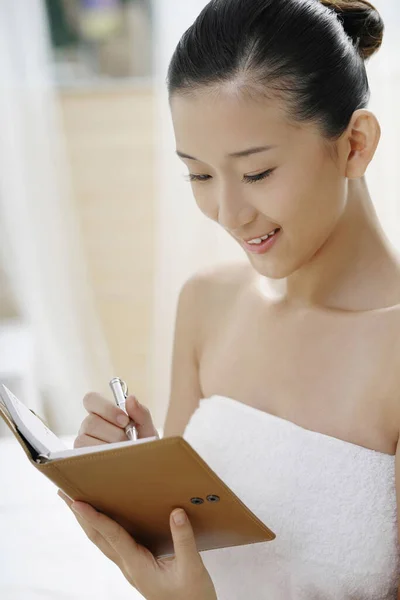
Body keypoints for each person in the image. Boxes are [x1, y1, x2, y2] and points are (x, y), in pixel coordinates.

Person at [57, 0, 400, 598]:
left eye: (258, 173)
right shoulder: (208, 305)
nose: (228, 213)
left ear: (355, 145)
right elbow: (190, 550)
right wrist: (136, 488)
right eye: (199, 175)